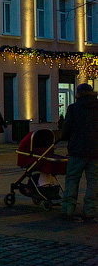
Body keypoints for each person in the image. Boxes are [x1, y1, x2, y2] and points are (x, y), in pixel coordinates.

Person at [59, 83, 98, 223]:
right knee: (93, 181)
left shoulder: (74, 108)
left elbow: (67, 130)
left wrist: (65, 137)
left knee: (72, 179)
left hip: (77, 150)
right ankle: (90, 210)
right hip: (95, 151)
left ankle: (68, 209)